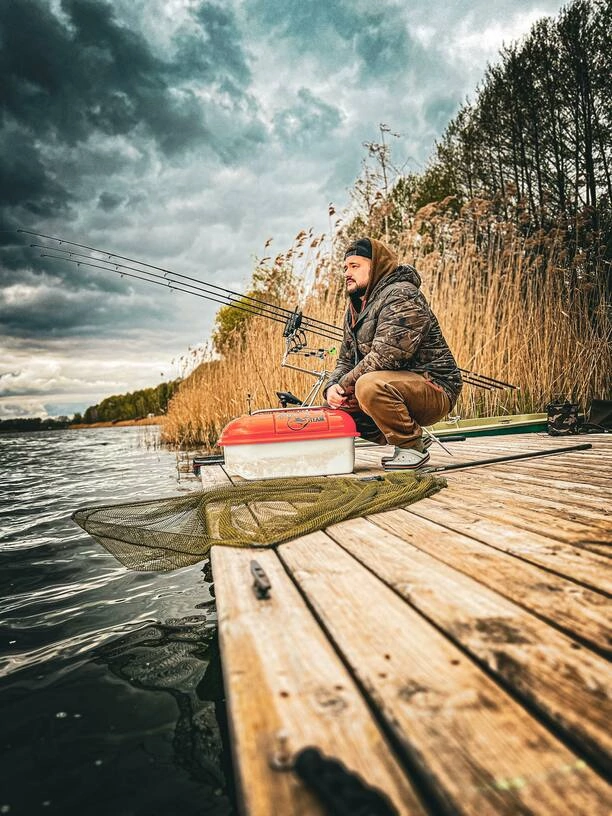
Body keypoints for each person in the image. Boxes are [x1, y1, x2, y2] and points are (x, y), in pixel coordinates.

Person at [324, 237, 462, 469]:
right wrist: (332, 388)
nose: (347, 273)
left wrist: (346, 385)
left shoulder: (402, 294)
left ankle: (411, 446)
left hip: (434, 387)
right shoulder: (355, 309)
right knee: (335, 406)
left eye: (355, 266)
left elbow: (388, 355)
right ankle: (414, 435)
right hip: (394, 386)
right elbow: (345, 360)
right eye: (345, 268)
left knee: (367, 385)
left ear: (376, 264)